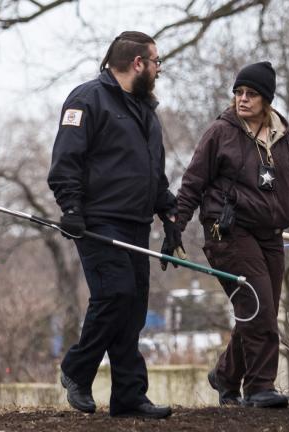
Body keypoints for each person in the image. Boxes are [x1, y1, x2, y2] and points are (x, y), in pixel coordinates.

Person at [176, 61, 289, 408]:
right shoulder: (221, 133)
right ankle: (260, 387)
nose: (242, 99)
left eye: (251, 94)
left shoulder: (286, 141)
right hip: (228, 233)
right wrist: (176, 226)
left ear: (267, 100)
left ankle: (226, 376)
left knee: (259, 311)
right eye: (238, 93)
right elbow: (193, 182)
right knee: (257, 305)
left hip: (271, 236)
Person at [47, 31, 183, 419]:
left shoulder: (146, 111)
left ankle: (128, 396)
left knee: (134, 309)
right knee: (116, 295)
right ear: (138, 63)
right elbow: (66, 162)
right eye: (157, 62)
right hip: (97, 222)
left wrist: (168, 213)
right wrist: (70, 207)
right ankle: (77, 368)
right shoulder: (87, 99)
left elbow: (153, 174)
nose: (159, 70)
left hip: (136, 224)